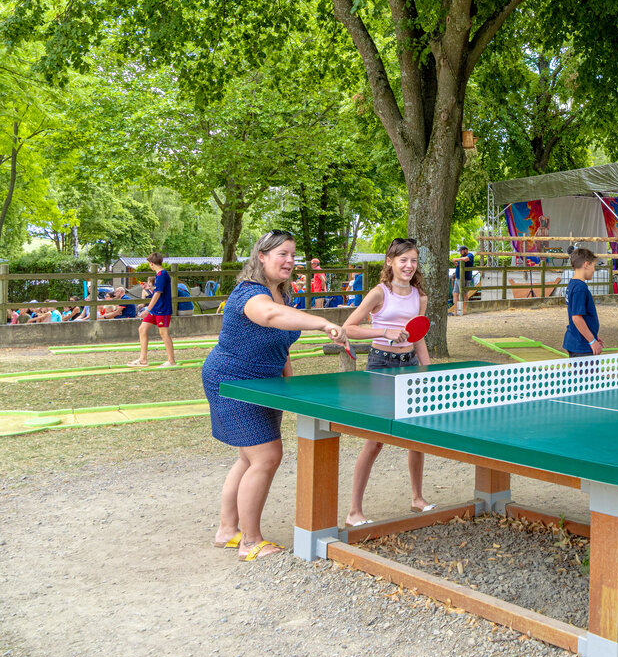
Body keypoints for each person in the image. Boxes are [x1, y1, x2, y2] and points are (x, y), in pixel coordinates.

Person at [203, 229, 348, 561]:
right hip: (233, 380)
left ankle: (227, 530)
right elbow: (269, 316)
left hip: (266, 382)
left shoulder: (283, 293)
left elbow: (279, 345)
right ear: (262, 256)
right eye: (282, 254)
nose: (289, 261)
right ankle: (250, 541)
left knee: (249, 458)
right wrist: (321, 323)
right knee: (265, 457)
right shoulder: (249, 293)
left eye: (293, 255)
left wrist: (288, 385)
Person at [342, 238, 434, 525]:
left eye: (413, 260)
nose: (409, 265)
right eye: (403, 260)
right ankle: (354, 511)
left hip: (410, 366)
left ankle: (417, 499)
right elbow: (349, 328)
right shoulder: (379, 293)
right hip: (381, 364)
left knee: (416, 436)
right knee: (375, 441)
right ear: (390, 262)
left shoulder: (419, 296)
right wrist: (384, 331)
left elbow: (418, 336)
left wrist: (427, 371)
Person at [128, 253, 177, 367]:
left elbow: (158, 294)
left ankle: (171, 361)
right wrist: (150, 288)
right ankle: (143, 359)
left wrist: (147, 309)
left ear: (151, 264)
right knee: (142, 329)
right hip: (155, 309)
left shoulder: (162, 274)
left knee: (163, 333)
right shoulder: (159, 275)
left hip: (162, 309)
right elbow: (157, 291)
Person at [562, 247, 602, 357]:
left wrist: (593, 336)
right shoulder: (580, 288)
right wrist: (592, 341)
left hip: (578, 340)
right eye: (593, 266)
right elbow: (577, 318)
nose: (594, 270)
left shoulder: (573, 284)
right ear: (586, 265)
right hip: (581, 345)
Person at [449, 245, 476, 315]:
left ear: (465, 250)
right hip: (458, 277)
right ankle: (455, 311)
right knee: (455, 293)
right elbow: (459, 264)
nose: (460, 252)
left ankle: (466, 310)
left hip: (465, 278)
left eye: (461, 251)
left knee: (464, 294)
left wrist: (456, 259)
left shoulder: (470, 255)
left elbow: (466, 259)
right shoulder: (461, 257)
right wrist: (455, 263)